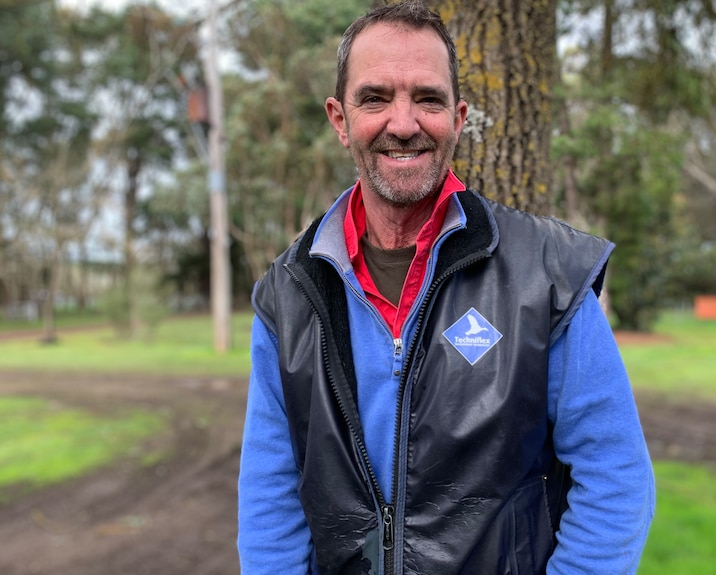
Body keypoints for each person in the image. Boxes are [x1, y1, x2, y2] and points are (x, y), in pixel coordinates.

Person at [237, 2, 654, 574]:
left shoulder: (549, 275)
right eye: (375, 97)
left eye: (427, 98)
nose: (403, 123)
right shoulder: (288, 296)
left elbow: (615, 477)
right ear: (339, 119)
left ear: (458, 118)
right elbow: (270, 499)